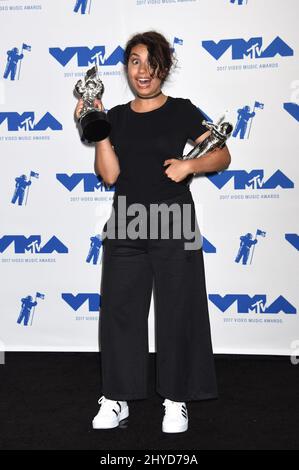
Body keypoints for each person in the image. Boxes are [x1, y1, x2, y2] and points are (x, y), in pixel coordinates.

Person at [75, 31, 231, 433]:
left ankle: (176, 399)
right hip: (127, 221)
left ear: (165, 67)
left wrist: (189, 167)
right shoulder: (118, 117)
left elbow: (222, 153)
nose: (142, 71)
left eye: (151, 62)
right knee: (120, 314)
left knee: (178, 311)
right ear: (126, 67)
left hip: (174, 221)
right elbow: (109, 175)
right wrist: (98, 128)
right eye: (134, 61)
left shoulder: (182, 111)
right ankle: (117, 398)